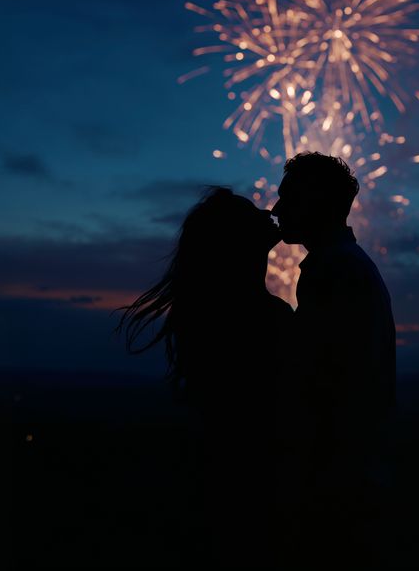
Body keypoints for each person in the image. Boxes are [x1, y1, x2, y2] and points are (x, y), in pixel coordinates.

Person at [115, 187, 294, 568]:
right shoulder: (263, 319)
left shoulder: (215, 316)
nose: (269, 212)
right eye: (253, 212)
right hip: (253, 492)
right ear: (237, 241)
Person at [272, 151, 397, 568]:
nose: (276, 209)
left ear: (315, 202)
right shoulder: (348, 266)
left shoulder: (334, 271)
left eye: (287, 198)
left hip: (338, 482)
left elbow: (319, 381)